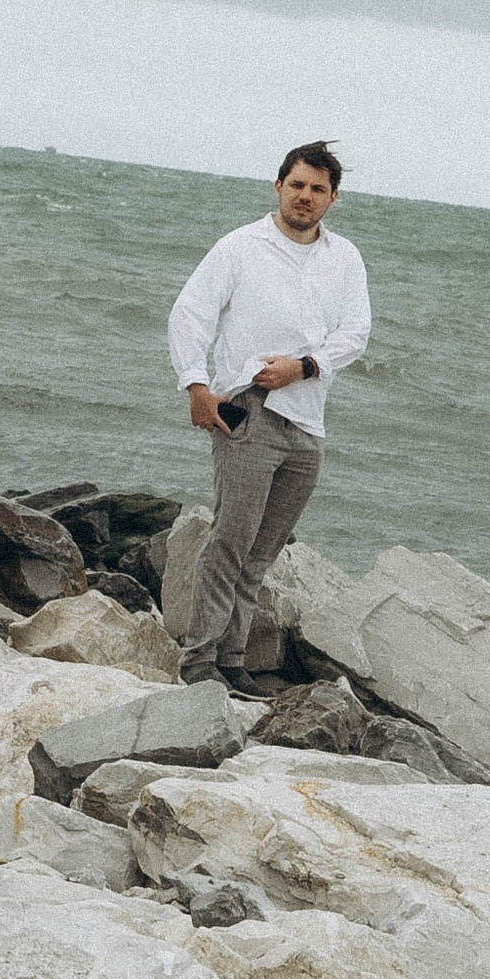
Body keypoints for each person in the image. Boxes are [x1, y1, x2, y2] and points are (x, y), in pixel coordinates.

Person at [164, 140, 371, 686]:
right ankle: (200, 663)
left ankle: (233, 662)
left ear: (333, 198)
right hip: (248, 411)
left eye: (318, 190)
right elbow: (190, 314)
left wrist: (303, 367)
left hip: (307, 419)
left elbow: (356, 333)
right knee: (230, 542)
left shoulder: (344, 258)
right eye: (297, 185)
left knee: (262, 553)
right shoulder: (240, 247)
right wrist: (195, 384)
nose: (306, 197)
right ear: (278, 186)